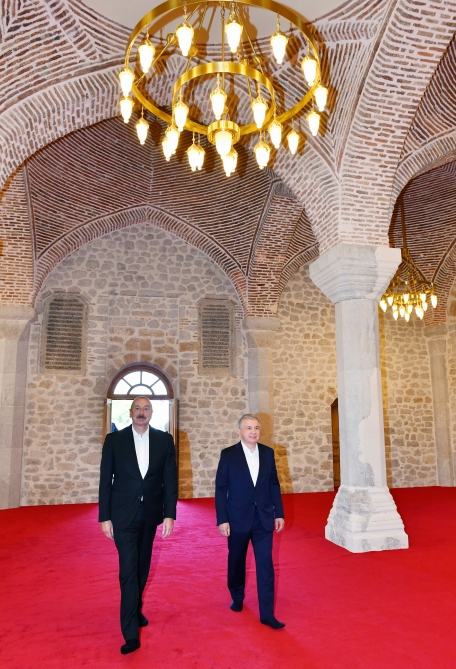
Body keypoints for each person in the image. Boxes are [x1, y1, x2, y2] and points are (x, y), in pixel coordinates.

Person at [98, 396, 178, 655]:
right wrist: (104, 516)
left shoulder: (164, 440)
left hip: (151, 514)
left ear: (151, 413)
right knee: (128, 569)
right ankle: (131, 633)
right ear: (130, 412)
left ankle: (135, 607)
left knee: (142, 566)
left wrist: (169, 514)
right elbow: (105, 480)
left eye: (146, 408)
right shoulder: (115, 440)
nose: (141, 412)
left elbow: (170, 480)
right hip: (123, 515)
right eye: (137, 408)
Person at [215, 413, 285, 629]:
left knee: (265, 564)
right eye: (248, 428)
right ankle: (237, 596)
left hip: (263, 518)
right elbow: (221, 489)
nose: (253, 432)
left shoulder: (268, 453)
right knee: (236, 561)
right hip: (237, 518)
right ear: (239, 431)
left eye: (256, 428)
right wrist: (222, 519)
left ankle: (267, 614)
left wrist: (279, 513)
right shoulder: (228, 455)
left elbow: (273, 484)